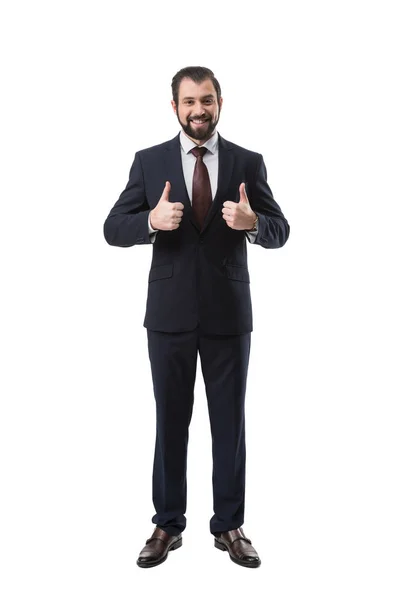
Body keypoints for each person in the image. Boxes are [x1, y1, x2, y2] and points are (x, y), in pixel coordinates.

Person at [103, 66, 290, 569]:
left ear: (220, 102)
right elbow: (111, 227)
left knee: (230, 424)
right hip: (168, 317)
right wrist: (149, 221)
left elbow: (281, 229)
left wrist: (254, 225)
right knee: (171, 421)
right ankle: (167, 524)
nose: (198, 110)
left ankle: (229, 526)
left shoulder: (249, 162)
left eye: (206, 99)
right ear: (175, 108)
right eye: (189, 102)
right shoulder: (149, 161)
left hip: (230, 314)